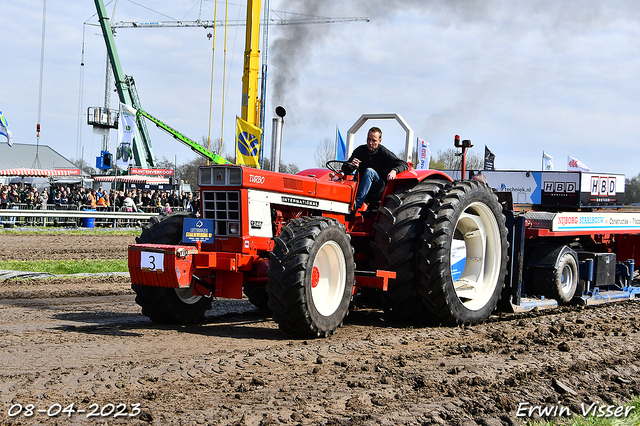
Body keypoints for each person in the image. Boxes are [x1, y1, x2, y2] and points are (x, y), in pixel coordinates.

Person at [341, 126, 409, 210]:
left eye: (374, 140)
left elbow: (404, 164)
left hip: (377, 188)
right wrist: (350, 166)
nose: (370, 143)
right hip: (360, 186)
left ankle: (356, 204)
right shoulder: (360, 150)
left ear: (379, 141)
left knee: (369, 171)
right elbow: (344, 169)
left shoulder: (383, 152)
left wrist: (394, 170)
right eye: (368, 139)